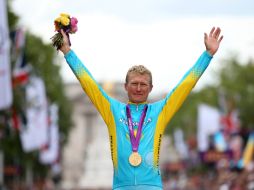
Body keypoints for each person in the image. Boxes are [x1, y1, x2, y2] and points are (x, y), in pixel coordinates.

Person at [59, 27, 223, 190]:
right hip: (121, 187)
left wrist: (207, 56)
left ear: (151, 88)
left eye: (143, 84)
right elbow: (89, 84)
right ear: (125, 86)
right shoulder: (113, 110)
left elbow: (186, 85)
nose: (138, 88)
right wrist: (67, 51)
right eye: (134, 84)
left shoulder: (161, 111)